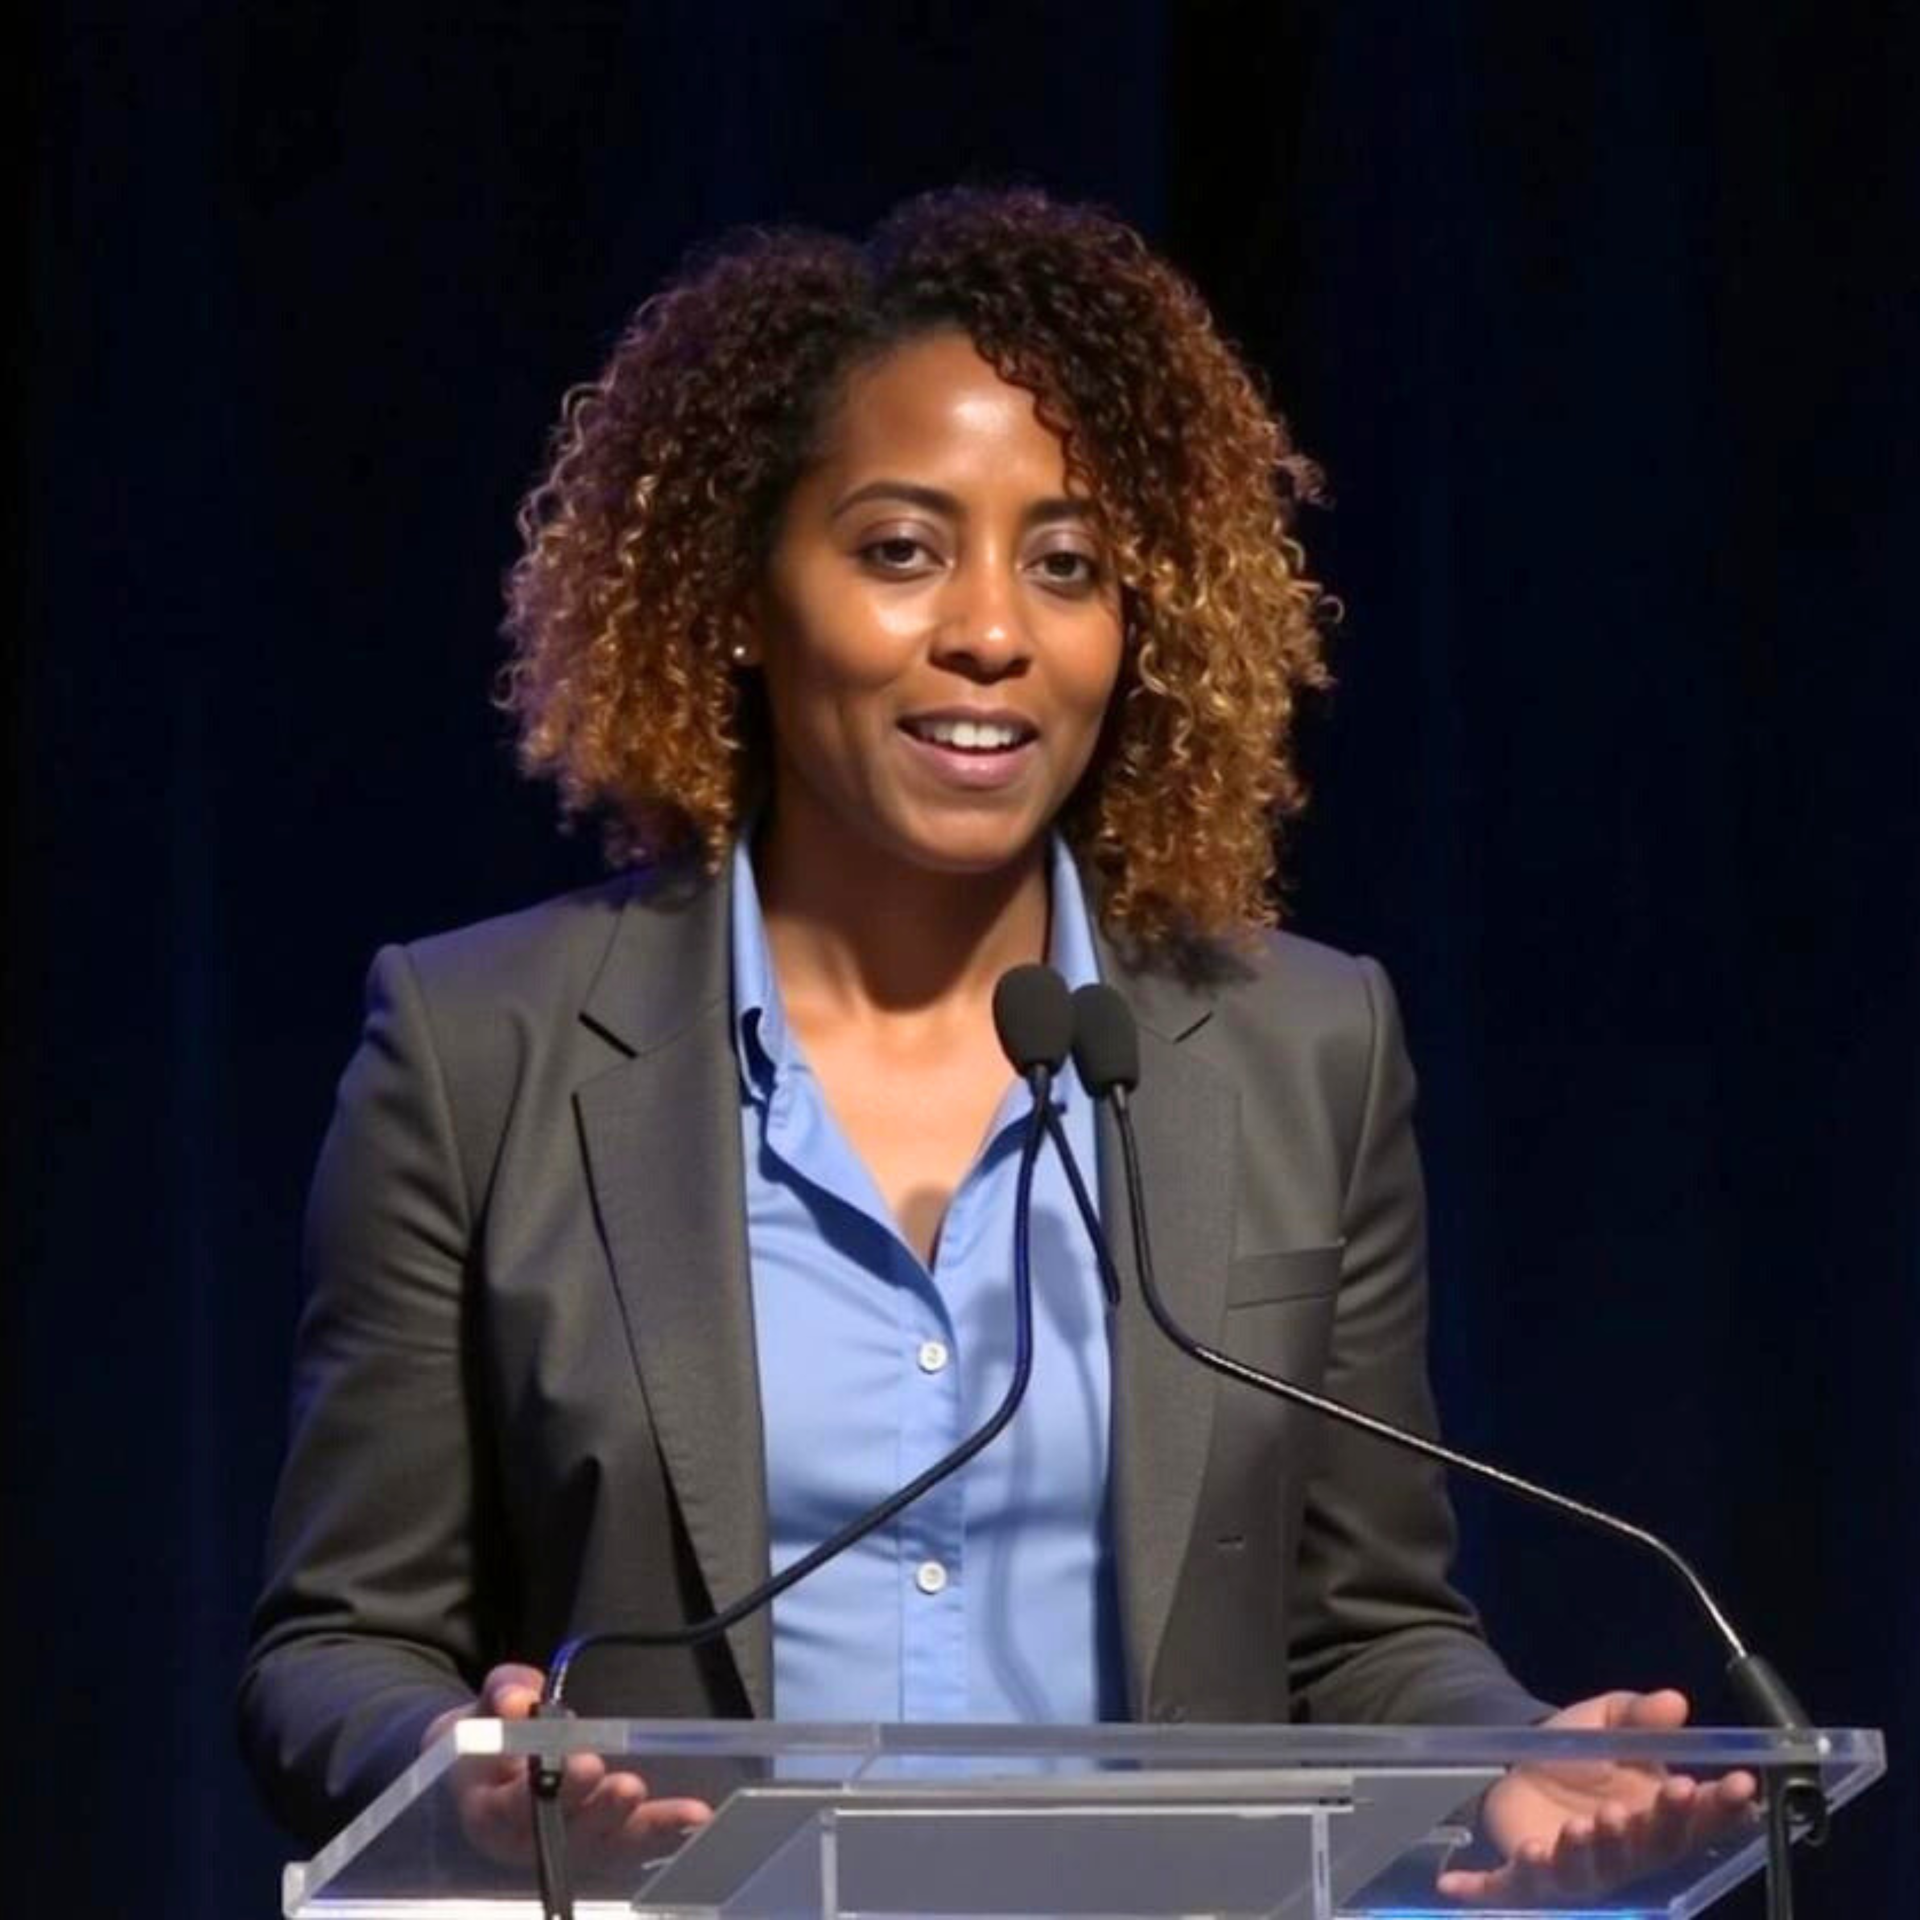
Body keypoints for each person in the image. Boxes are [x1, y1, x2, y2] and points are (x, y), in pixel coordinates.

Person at [240, 187, 1753, 1903]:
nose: (993, 629)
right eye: (899, 548)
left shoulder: (1303, 1052)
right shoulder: (480, 1050)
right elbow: (332, 1649)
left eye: (1069, 563)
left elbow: (1365, 1632)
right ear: (742, 592)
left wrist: (1506, 1759)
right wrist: (461, 1776)